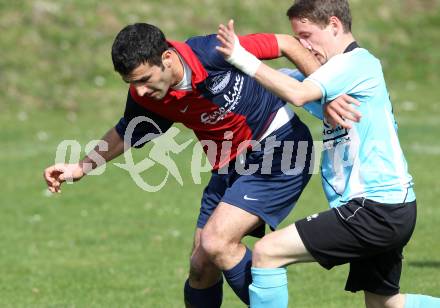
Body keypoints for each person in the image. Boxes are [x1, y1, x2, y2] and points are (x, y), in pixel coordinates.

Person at [43, 22, 357, 307]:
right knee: (201, 265)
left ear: (166, 59)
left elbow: (286, 43)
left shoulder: (210, 52)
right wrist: (81, 167)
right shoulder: (146, 95)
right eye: (130, 82)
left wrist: (326, 93)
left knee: (217, 242)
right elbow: (129, 130)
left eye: (143, 79)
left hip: (280, 148)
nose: (138, 90)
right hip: (230, 166)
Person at [216, 1, 440, 307]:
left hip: (376, 208)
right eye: (297, 38)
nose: (302, 45)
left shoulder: (356, 64)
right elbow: (280, 80)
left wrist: (240, 57)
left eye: (306, 35)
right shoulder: (332, 76)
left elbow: (296, 93)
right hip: (390, 208)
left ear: (334, 25)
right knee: (387, 304)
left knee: (268, 252)